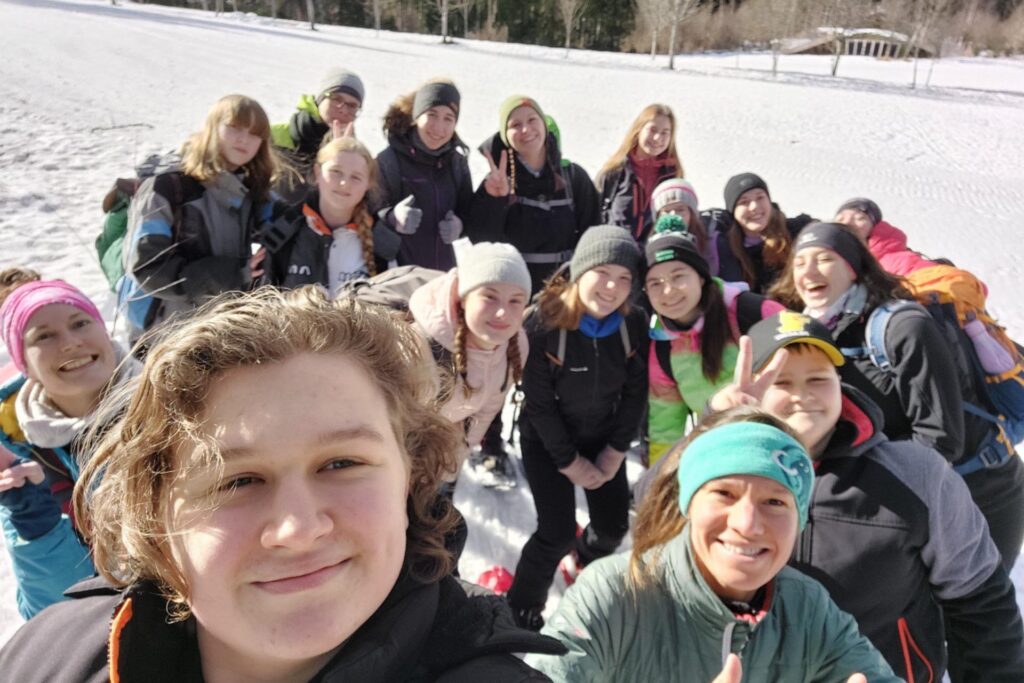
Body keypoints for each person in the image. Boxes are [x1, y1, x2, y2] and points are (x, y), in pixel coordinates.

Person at [0, 287, 565, 682]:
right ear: (156, 512)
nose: (298, 529)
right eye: (237, 479)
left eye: (342, 463)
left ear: (410, 475)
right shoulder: (52, 659)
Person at [706, 311, 1024, 682]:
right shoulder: (713, 472)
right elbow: (653, 530)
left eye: (817, 378)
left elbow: (980, 603)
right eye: (782, 381)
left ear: (840, 385)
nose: (802, 395)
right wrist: (716, 428)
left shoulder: (914, 473)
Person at [526, 410, 899, 682]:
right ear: (690, 502)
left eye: (775, 502)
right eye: (724, 493)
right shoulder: (615, 595)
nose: (748, 524)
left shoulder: (808, 609)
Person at [770, 222, 1024, 569]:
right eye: (799, 263)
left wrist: (864, 500)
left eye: (825, 259)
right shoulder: (815, 332)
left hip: (977, 490)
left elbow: (940, 440)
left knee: (972, 612)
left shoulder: (903, 327)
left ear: (854, 266)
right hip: (906, 491)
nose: (808, 271)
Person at [507, 225, 648, 631]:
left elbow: (636, 392)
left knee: (613, 527)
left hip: (604, 437)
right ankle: (521, 608)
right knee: (554, 532)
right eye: (603, 272)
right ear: (580, 270)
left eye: (624, 278)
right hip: (547, 441)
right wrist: (570, 464)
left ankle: (585, 561)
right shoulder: (544, 325)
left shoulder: (631, 323)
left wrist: (615, 451)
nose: (612, 287)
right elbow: (539, 405)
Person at [0, 278, 139, 619]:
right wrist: (38, 527)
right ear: (24, 364)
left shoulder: (179, 403)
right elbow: (53, 616)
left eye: (80, 323)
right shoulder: (21, 453)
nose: (71, 343)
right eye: (44, 336)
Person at [119, 94, 297, 341]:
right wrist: (227, 275)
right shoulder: (167, 187)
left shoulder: (247, 191)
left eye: (255, 133)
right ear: (212, 128)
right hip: (164, 336)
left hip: (216, 330)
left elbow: (288, 220)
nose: (244, 138)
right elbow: (147, 268)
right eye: (234, 127)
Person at [645, 215, 783, 464]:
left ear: (700, 276)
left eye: (678, 276)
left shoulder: (751, 313)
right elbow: (666, 427)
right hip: (723, 456)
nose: (668, 291)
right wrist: (660, 479)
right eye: (655, 283)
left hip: (783, 450)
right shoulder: (663, 345)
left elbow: (809, 369)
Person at [408, 241, 530, 488]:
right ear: (462, 298)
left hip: (442, 463)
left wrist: (455, 458)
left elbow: (488, 406)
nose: (502, 313)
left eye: (515, 301)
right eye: (489, 297)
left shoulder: (516, 344)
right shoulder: (416, 345)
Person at [468, 95, 599, 295]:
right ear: (505, 135)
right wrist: (495, 200)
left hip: (564, 294)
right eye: (515, 125)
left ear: (544, 125)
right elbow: (483, 244)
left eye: (532, 120)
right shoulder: (497, 181)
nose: (526, 130)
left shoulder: (574, 177)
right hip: (513, 295)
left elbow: (593, 235)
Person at [375, 79, 473, 271]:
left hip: (441, 279)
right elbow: (366, 217)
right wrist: (392, 217)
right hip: (396, 279)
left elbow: (470, 212)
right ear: (416, 116)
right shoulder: (388, 161)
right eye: (432, 115)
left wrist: (460, 225)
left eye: (448, 118)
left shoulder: (457, 164)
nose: (439, 127)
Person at [266, 137, 386, 291]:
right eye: (336, 172)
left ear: (368, 184)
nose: (344, 183)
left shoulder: (381, 238)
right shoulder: (285, 230)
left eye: (356, 177)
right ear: (318, 173)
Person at [707, 172, 814, 294]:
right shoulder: (727, 248)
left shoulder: (797, 231)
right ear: (733, 211)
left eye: (760, 197)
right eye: (744, 202)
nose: (754, 206)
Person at [595, 104, 683, 243]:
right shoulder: (615, 172)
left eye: (665, 132)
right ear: (638, 130)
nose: (657, 138)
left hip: (654, 256)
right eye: (652, 129)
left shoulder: (673, 177)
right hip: (616, 252)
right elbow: (594, 217)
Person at [271, 68, 365, 194]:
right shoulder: (269, 136)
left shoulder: (358, 157)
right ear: (319, 99)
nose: (343, 110)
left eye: (352, 106)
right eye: (336, 99)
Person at [650, 177, 718, 276]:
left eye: (680, 209)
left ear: (692, 213)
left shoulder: (713, 241)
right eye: (667, 211)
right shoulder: (651, 247)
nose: (673, 215)